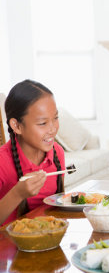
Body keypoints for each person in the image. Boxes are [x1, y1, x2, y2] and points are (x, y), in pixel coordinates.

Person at [0, 80, 65, 226]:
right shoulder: (2, 162)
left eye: (55, 118)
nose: (53, 129)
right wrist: (17, 194)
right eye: (42, 123)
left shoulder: (57, 153)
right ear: (16, 126)